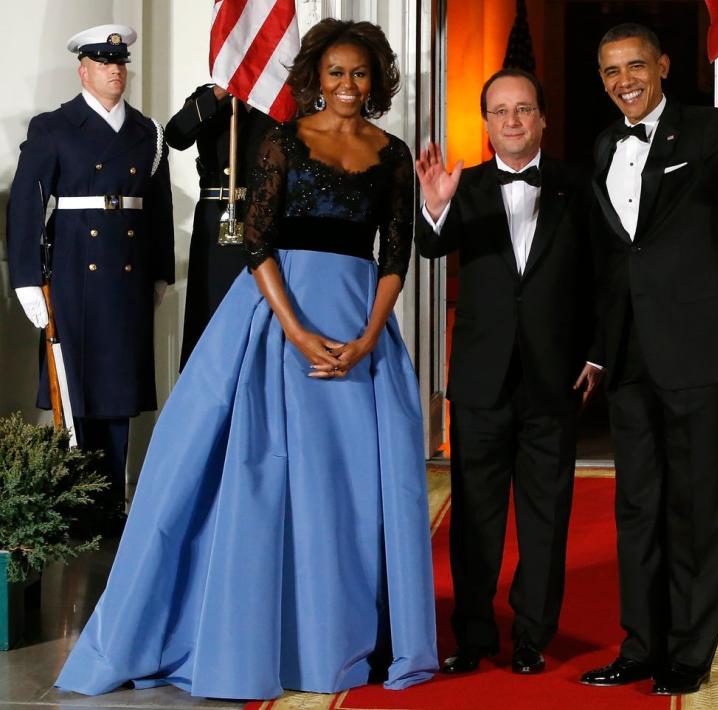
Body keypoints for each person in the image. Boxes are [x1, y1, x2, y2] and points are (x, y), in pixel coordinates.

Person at [55, 19, 437, 700]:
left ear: (376, 79)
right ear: (315, 78)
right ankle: (257, 635)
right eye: (335, 73)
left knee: (353, 493)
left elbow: (394, 255)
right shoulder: (283, 142)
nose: (347, 85)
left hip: (361, 333)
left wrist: (371, 335)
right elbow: (257, 244)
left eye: (359, 73)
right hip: (276, 325)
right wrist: (293, 331)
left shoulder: (393, 152)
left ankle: (346, 638)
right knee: (259, 483)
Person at [578, 23, 718, 695]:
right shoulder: (605, 142)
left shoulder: (702, 131)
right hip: (630, 356)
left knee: (697, 510)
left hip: (698, 350)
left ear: (662, 66)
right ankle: (640, 646)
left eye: (634, 66)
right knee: (637, 508)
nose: (623, 81)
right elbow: (612, 257)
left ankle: (689, 654)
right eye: (610, 71)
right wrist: (596, 349)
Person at [415, 68, 597, 676]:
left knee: (546, 514)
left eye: (524, 110)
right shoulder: (460, 186)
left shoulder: (577, 183)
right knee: (474, 514)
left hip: (555, 377)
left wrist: (597, 353)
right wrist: (435, 208)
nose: (513, 120)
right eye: (500, 111)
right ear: (487, 123)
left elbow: (605, 276)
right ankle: (473, 636)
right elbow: (431, 246)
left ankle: (531, 636)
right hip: (480, 380)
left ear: (542, 118)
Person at [5, 24, 174, 522]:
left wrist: (159, 271)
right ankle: (76, 503)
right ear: (84, 70)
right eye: (104, 63)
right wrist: (26, 278)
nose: (115, 71)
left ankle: (109, 505)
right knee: (75, 389)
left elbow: (158, 207)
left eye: (120, 63)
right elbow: (25, 206)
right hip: (75, 267)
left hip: (127, 276)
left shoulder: (148, 131)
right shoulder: (53, 126)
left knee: (118, 392)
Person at [166, 83, 276, 369]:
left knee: (261, 310)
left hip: (265, 218)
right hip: (218, 220)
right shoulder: (211, 98)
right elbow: (176, 135)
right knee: (211, 311)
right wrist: (219, 93)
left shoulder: (278, 96)